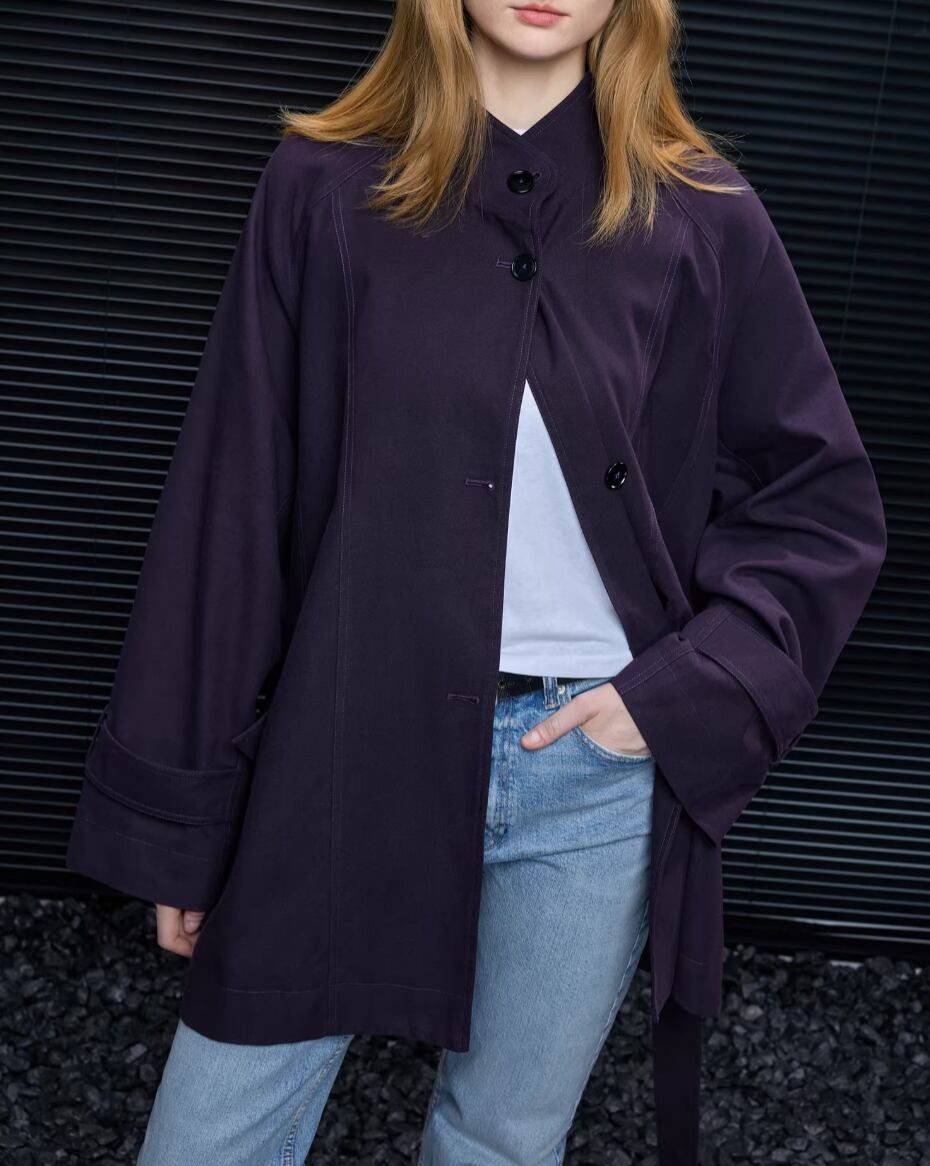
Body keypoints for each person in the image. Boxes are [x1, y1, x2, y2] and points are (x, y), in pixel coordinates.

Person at [65, 1, 888, 1163]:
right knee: (214, 1132)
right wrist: (181, 821)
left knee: (501, 1139)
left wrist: (672, 699)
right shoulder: (323, 188)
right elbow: (231, 505)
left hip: (592, 772)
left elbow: (820, 501)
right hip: (344, 741)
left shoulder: (700, 215)